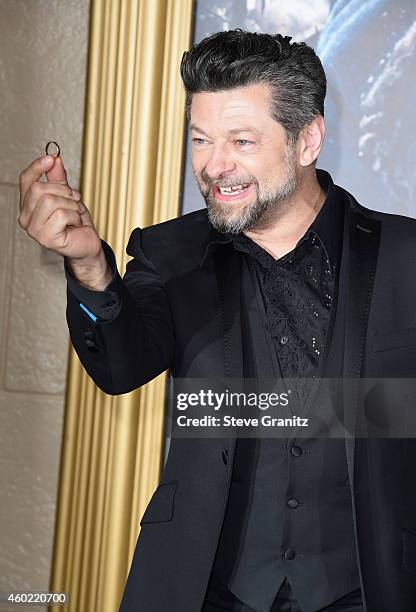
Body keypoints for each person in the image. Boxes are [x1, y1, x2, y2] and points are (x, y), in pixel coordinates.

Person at [18, 29, 416, 612]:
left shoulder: (404, 254)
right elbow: (121, 365)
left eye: (242, 140)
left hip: (372, 586)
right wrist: (87, 264)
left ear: (308, 140)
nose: (214, 165)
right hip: (208, 589)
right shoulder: (169, 254)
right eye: (201, 139)